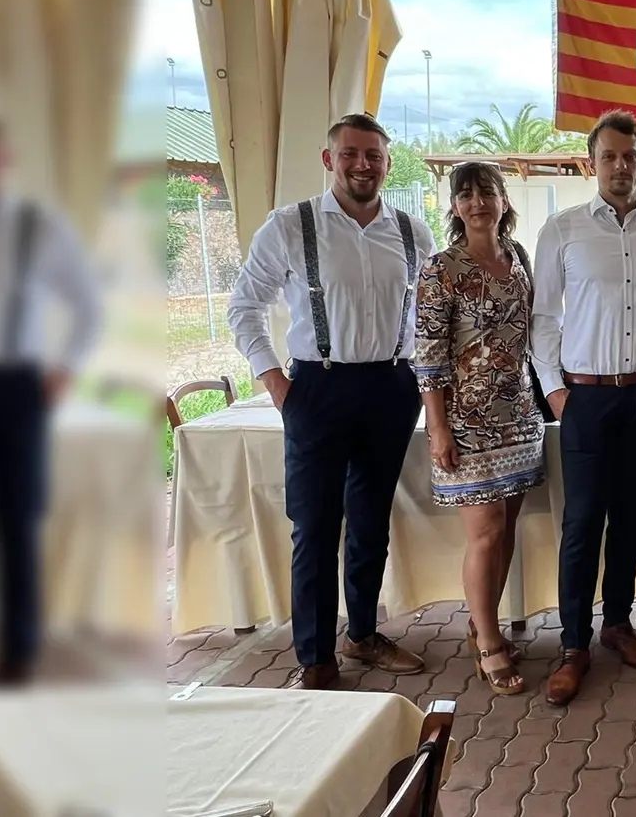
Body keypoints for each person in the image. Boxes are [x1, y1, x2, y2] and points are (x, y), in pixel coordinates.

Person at [228, 113, 434, 689]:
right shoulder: (290, 226)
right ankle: (315, 658)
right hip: (316, 387)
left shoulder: (414, 232)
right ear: (329, 160)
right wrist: (276, 383)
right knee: (315, 525)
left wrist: (421, 377)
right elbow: (244, 306)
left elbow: (426, 314)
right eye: (350, 153)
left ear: (388, 163)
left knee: (370, 522)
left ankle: (363, 634)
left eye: (374, 154)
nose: (362, 164)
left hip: (392, 387)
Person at [531, 110, 636, 707]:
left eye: (630, 156)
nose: (620, 167)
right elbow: (544, 319)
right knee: (581, 522)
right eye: (609, 157)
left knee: (629, 517)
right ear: (591, 164)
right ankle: (575, 644)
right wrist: (557, 393)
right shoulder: (563, 230)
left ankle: (618, 623)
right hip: (585, 397)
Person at [0, 112, 102, 684]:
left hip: (14, 389)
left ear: (3, 161)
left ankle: (19, 649)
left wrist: (63, 369)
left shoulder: (32, 226)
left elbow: (87, 304)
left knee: (16, 522)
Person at [414, 161, 546, 696]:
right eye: (465, 195)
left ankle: (481, 623)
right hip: (466, 423)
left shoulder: (518, 258)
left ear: (504, 200)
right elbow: (427, 354)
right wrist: (437, 427)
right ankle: (490, 644)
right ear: (453, 206)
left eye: (486, 193)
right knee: (485, 532)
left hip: (518, 417)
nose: (477, 203)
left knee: (506, 529)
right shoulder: (440, 269)